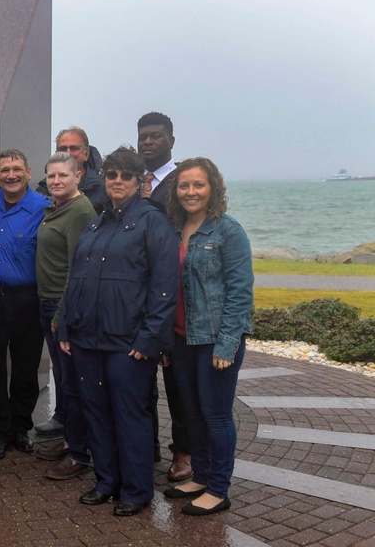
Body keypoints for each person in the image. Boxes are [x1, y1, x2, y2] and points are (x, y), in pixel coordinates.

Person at [58, 146, 178, 516]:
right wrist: (65, 324)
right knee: (96, 412)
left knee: (130, 416)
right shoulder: (96, 223)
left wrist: (150, 338)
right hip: (86, 338)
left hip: (129, 343)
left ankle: (137, 490)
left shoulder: (152, 221)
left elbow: (164, 286)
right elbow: (75, 278)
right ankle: (106, 481)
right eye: (112, 175)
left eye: (126, 175)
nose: (118, 181)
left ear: (140, 180)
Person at [162, 158, 253, 515]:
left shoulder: (228, 232)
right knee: (192, 414)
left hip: (214, 341)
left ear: (212, 188)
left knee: (216, 415)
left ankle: (218, 488)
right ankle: (200, 475)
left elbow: (240, 292)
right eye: (184, 186)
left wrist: (227, 344)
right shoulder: (174, 230)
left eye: (198, 185)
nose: (190, 192)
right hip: (181, 339)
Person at [0, 150, 49, 461]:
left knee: (24, 368)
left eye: (17, 168)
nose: (11, 174)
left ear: (28, 172)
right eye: (4, 169)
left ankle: (20, 427)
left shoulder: (43, 207)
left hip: (26, 300)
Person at [34, 126, 106, 439]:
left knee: (70, 375)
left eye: (63, 176)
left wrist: (61, 313)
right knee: (62, 372)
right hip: (47, 300)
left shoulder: (79, 210)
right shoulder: (55, 207)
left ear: (78, 176)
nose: (57, 181)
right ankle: (64, 423)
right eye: (52, 177)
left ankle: (76, 440)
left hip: (62, 304)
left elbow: (79, 267)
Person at [137, 111, 192, 482]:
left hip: (169, 293)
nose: (148, 142)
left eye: (156, 136)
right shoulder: (131, 179)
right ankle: (147, 446)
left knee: (178, 383)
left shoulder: (180, 182)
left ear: (171, 140)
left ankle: (184, 452)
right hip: (134, 295)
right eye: (143, 136)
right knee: (140, 380)